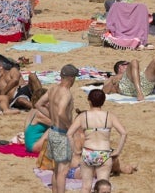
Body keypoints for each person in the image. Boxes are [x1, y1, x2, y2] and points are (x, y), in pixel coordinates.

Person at [68, 88, 126, 192]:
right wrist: (118, 151)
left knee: (86, 187)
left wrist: (75, 151)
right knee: (103, 186)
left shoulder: (83, 116)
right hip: (104, 152)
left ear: (89, 101)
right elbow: (123, 133)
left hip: (88, 152)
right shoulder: (109, 116)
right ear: (103, 101)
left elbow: (69, 134)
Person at [42, 64, 78, 193]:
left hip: (52, 131)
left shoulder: (53, 89)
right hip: (62, 134)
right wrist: (70, 126)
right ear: (71, 78)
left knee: (56, 169)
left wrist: (51, 117)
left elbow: (39, 104)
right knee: (63, 171)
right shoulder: (66, 93)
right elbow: (61, 112)